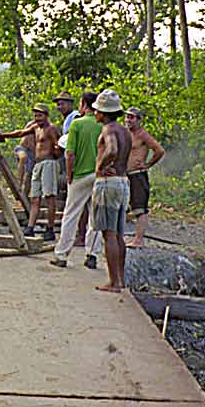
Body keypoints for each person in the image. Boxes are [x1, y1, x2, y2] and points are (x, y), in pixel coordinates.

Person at [50, 92, 104, 269]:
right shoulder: (102, 125)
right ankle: (92, 255)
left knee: (71, 214)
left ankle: (62, 255)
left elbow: (70, 153)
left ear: (84, 105)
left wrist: (69, 174)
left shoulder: (77, 124)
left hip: (80, 175)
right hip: (98, 175)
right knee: (95, 217)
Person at [0, 104, 61, 241]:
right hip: (38, 164)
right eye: (36, 116)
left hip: (49, 163)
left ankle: (50, 229)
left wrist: (55, 154)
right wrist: (4, 135)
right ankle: (30, 227)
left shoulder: (52, 128)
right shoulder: (35, 128)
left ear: (46, 116)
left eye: (40, 115)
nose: (37, 118)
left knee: (49, 196)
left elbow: (59, 145)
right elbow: (20, 132)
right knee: (34, 197)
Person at [91, 89, 132, 293]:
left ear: (104, 113)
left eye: (97, 110)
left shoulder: (108, 130)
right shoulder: (125, 131)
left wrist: (100, 164)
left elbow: (112, 149)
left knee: (109, 234)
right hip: (123, 182)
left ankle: (113, 282)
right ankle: (120, 279)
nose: (95, 113)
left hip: (108, 184)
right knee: (118, 234)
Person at [124, 106, 165, 248]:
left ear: (139, 120)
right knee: (124, 207)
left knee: (140, 208)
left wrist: (147, 164)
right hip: (125, 176)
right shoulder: (125, 133)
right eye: (127, 116)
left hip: (138, 175)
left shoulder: (142, 134)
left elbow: (159, 150)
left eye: (132, 117)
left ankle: (139, 240)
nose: (128, 120)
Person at [13, 121, 36, 201]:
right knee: (23, 157)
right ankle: (18, 182)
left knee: (29, 174)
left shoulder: (47, 127)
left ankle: (24, 196)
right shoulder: (31, 125)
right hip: (23, 148)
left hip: (33, 154)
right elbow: (29, 142)